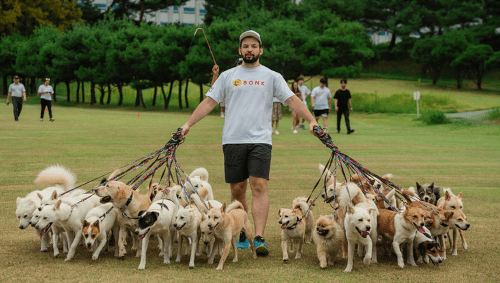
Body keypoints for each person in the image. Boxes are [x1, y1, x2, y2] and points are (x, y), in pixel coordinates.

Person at [179, 30, 317, 256]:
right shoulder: (227, 76)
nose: (250, 49)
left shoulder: (272, 76)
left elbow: (292, 100)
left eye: (254, 46)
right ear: (240, 50)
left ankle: (260, 236)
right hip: (233, 140)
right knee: (238, 188)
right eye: (246, 46)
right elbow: (209, 102)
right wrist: (187, 125)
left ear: (260, 50)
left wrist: (311, 120)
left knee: (259, 185)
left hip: (260, 140)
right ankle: (242, 229)